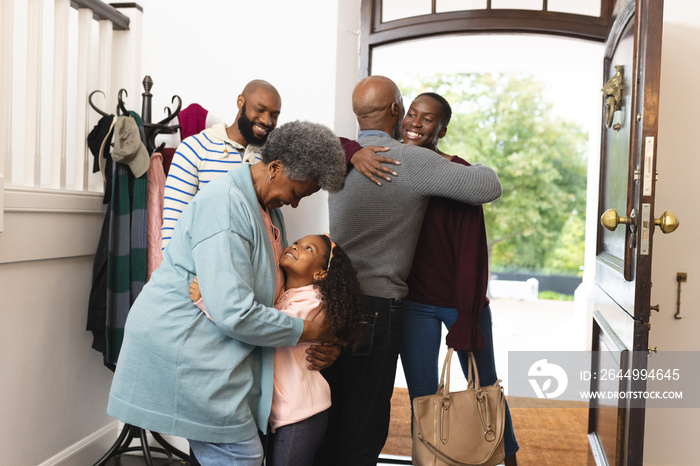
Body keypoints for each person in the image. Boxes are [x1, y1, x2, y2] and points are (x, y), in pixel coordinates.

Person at [107, 120, 347, 466]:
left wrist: (322, 339)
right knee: (242, 457)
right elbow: (236, 312)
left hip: (214, 349)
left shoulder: (269, 210)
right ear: (275, 168)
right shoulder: (227, 206)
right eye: (296, 193)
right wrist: (308, 331)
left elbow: (275, 292)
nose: (294, 205)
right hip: (182, 347)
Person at [316, 76, 503, 466]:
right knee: (365, 420)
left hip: (329, 300)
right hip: (378, 305)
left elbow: (316, 145)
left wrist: (350, 149)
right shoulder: (413, 161)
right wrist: (451, 161)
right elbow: (488, 185)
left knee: (328, 405)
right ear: (397, 111)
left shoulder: (336, 158)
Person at [400, 92, 519, 465]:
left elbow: (472, 252)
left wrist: (466, 316)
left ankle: (505, 458)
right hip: (413, 303)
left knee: (485, 387)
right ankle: (431, 460)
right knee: (422, 395)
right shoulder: (391, 164)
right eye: (411, 114)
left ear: (443, 130)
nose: (416, 123)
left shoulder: (457, 173)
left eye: (428, 118)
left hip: (461, 302)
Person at [190, 234, 364, 465]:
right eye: (298, 242)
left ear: (320, 274)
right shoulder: (284, 295)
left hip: (302, 414)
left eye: (308, 249)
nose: (296, 247)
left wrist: (207, 301)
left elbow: (264, 328)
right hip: (281, 412)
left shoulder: (314, 303)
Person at [161, 79, 282, 249]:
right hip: (204, 269)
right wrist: (182, 274)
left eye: (274, 116)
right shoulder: (194, 149)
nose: (267, 121)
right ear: (240, 101)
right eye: (259, 110)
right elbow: (174, 226)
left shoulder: (270, 159)